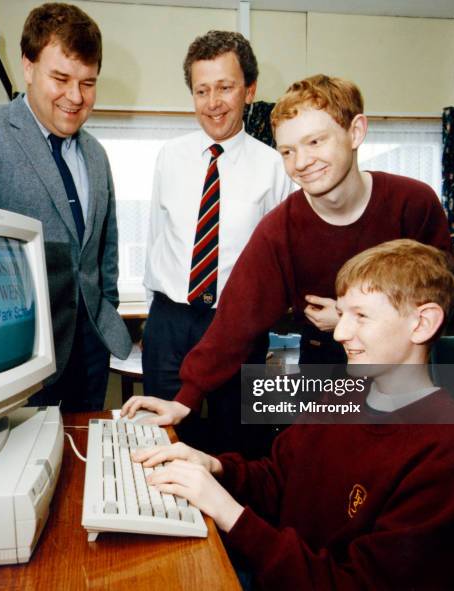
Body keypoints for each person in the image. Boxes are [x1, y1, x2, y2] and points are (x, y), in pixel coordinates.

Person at [132, 239, 454, 590]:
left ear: (422, 323)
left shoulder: (450, 453)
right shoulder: (340, 396)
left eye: (361, 316)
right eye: (342, 314)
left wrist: (230, 514)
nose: (343, 332)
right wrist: (214, 467)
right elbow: (278, 480)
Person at [122, 74, 453, 430]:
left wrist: (345, 312)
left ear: (355, 132)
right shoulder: (279, 229)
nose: (302, 161)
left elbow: (441, 296)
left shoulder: (414, 203)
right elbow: (234, 322)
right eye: (287, 151)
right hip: (324, 371)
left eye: (315, 141)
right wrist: (184, 400)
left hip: (407, 376)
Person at [0, 3, 131, 411]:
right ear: (28, 66)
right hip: (21, 356)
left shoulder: (97, 154)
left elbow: (104, 250)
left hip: (90, 349)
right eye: (61, 78)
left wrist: (106, 308)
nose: (76, 97)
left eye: (88, 83)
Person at [142, 30, 288, 452]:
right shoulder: (169, 156)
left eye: (225, 87)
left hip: (238, 325)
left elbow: (278, 262)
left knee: (238, 444)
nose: (213, 102)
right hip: (169, 323)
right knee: (162, 441)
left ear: (249, 90)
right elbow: (157, 236)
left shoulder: (274, 166)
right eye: (202, 90)